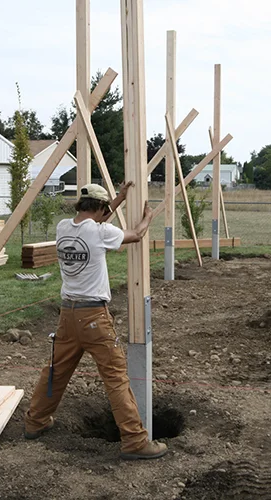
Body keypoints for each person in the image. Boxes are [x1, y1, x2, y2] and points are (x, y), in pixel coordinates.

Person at [24, 182, 168, 461]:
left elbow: (96, 223)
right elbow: (136, 235)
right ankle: (135, 441)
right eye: (106, 209)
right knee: (115, 377)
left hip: (67, 315)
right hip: (94, 317)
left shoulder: (63, 228)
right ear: (102, 210)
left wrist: (118, 199)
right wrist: (149, 216)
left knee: (55, 371)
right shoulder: (101, 232)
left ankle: (35, 422)